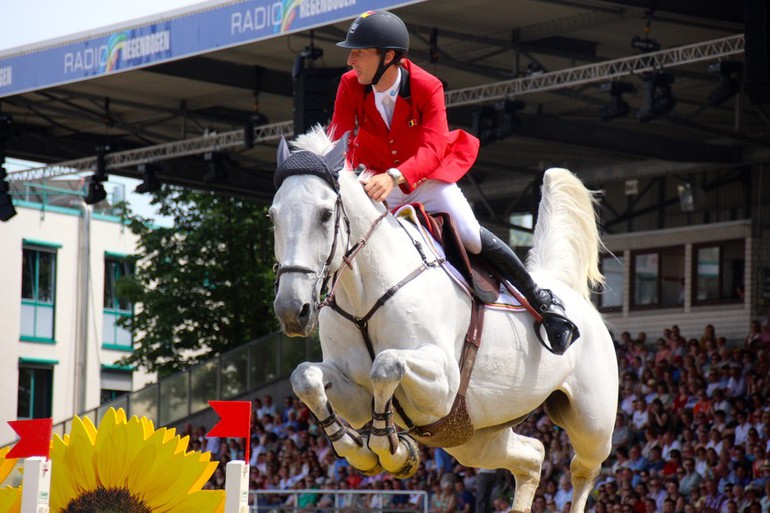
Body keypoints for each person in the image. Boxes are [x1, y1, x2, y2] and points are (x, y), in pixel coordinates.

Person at [328, 9, 578, 354]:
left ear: (388, 57)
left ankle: (543, 301)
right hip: (375, 185)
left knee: (471, 235)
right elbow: (337, 138)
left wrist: (396, 176)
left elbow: (432, 148)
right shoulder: (349, 85)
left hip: (425, 180)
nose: (350, 59)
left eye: (358, 51)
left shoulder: (427, 87)